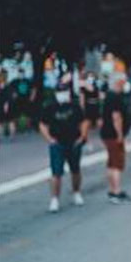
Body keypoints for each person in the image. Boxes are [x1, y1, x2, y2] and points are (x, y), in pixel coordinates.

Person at [39, 80, 88, 212]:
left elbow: (83, 121)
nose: (63, 94)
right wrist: (49, 139)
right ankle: (54, 199)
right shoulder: (50, 107)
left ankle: (76, 192)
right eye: (60, 92)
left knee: (75, 170)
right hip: (57, 143)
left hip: (73, 142)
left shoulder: (74, 106)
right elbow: (43, 124)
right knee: (56, 173)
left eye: (65, 91)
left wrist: (82, 137)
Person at [101, 74, 131, 204]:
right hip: (113, 135)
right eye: (123, 82)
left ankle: (112, 190)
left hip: (107, 134)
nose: (125, 84)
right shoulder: (115, 97)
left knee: (111, 162)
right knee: (117, 163)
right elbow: (116, 118)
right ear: (118, 82)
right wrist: (120, 135)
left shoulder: (109, 95)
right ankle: (116, 192)